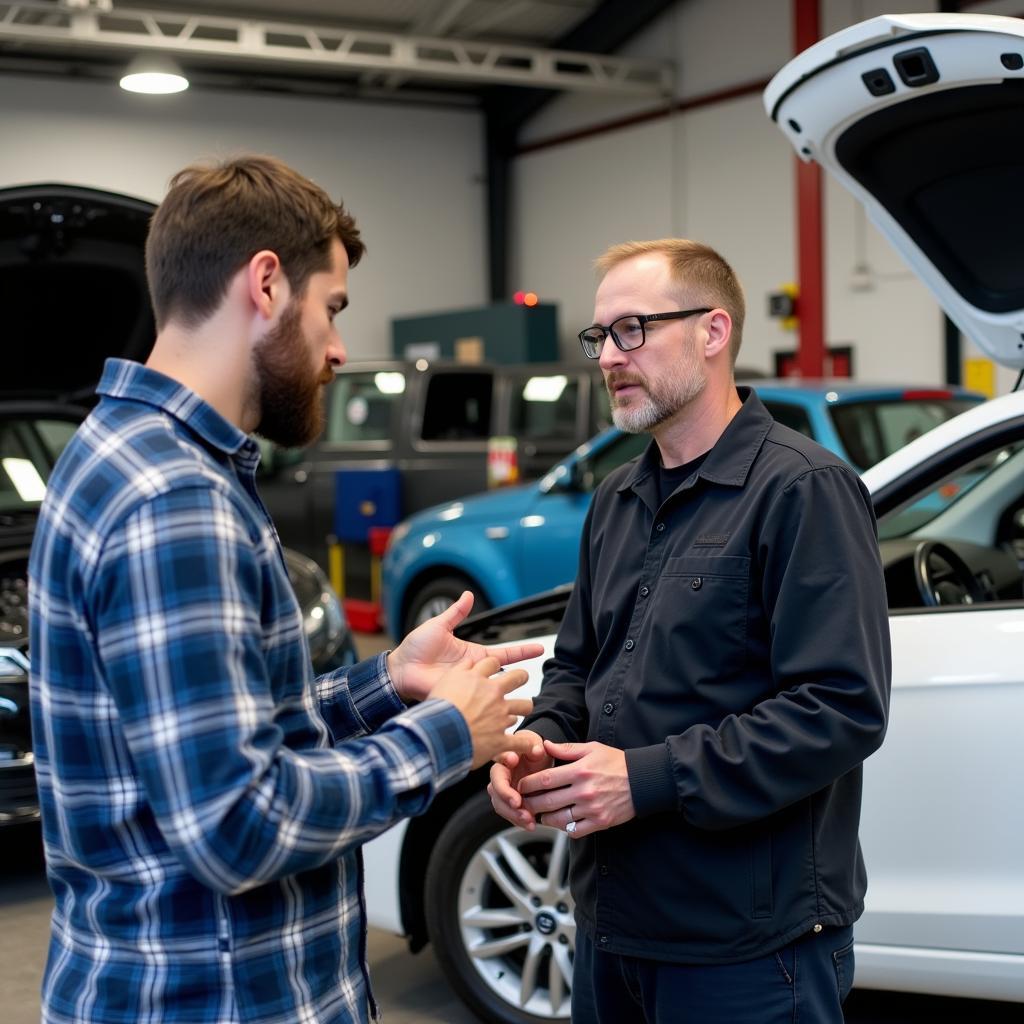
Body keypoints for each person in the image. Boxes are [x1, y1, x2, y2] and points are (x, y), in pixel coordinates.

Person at [28, 154, 543, 1024]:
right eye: (332, 309)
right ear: (266, 284)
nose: (339, 348)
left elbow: (236, 733)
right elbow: (238, 823)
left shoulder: (133, 454)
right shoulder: (174, 498)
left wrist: (389, 683)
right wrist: (445, 736)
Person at [488, 238, 891, 1023]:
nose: (608, 356)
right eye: (599, 336)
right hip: (612, 923)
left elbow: (840, 708)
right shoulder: (616, 500)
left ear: (713, 333)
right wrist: (537, 742)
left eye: (632, 329)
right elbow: (577, 665)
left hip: (749, 948)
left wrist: (646, 778)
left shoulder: (803, 490)